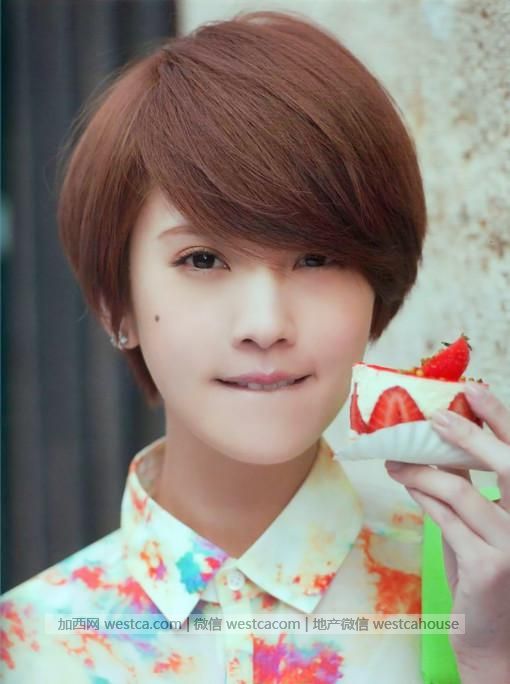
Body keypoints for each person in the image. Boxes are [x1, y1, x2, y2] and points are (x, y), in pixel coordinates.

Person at [1, 10, 509, 683]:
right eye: (203, 259)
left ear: (376, 294)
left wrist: (491, 659)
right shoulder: (27, 647)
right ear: (116, 304)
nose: (266, 324)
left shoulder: (473, 587)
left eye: (316, 257)